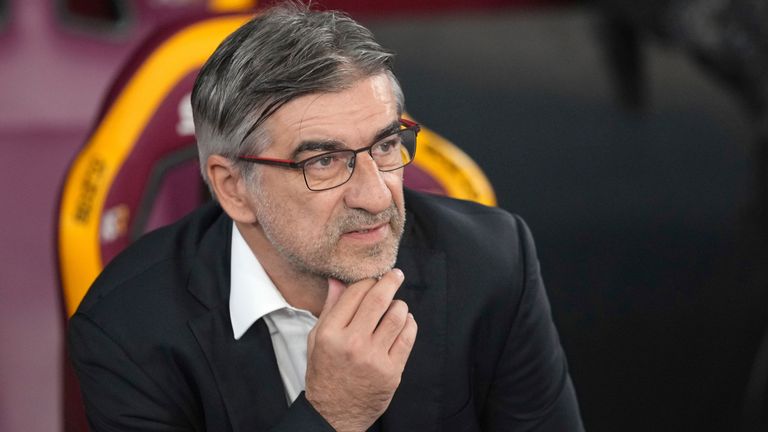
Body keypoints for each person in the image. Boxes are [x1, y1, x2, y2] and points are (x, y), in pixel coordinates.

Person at [68, 2, 584, 431]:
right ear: (232, 188)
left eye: (384, 145)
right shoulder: (127, 329)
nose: (377, 197)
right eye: (323, 160)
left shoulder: (494, 262)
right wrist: (331, 414)